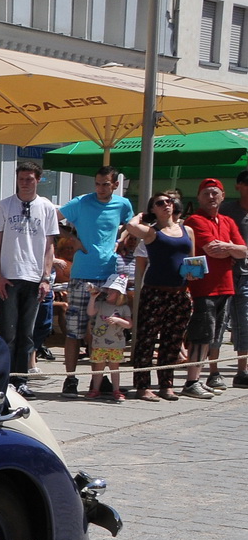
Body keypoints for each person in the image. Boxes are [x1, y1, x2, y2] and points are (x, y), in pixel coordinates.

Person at [55, 167, 135, 398]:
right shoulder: (81, 202)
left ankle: (97, 381)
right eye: (98, 184)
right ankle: (70, 380)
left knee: (103, 330)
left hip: (108, 274)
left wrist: (121, 239)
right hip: (82, 274)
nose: (100, 189)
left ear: (115, 185)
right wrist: (72, 240)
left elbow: (131, 226)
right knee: (74, 330)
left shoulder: (122, 204)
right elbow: (52, 219)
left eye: (105, 184)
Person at [0, 160, 60, 395]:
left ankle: (21, 380)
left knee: (27, 334)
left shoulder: (47, 207)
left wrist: (46, 278)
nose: (25, 183)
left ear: (38, 179)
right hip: (10, 275)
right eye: (21, 179)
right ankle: (5, 379)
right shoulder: (4, 206)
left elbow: (49, 246)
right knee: (8, 332)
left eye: (29, 179)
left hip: (34, 277)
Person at [177, 176, 247, 397]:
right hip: (203, 288)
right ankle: (190, 382)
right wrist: (231, 249)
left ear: (223, 196)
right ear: (198, 197)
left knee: (214, 335)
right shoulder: (195, 221)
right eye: (206, 193)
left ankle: (198, 378)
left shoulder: (228, 222)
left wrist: (227, 246)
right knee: (201, 334)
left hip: (225, 286)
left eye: (215, 192)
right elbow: (210, 249)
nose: (211, 197)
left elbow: (243, 251)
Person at [124, 190, 194, 401]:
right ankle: (143, 386)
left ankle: (166, 384)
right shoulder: (151, 232)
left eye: (169, 201)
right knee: (147, 339)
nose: (166, 205)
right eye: (160, 203)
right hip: (155, 292)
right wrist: (142, 215)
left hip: (180, 292)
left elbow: (193, 259)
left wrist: (194, 274)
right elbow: (130, 226)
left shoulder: (187, 230)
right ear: (153, 209)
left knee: (172, 341)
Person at [220, 170, 248, 388]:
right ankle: (209, 369)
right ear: (238, 185)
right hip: (225, 274)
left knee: (245, 323)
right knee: (218, 323)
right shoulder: (227, 210)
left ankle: (242, 370)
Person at [86, 269, 132, 403]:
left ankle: (116, 390)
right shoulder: (100, 305)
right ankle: (95, 389)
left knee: (114, 367)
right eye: (108, 290)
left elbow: (129, 324)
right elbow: (90, 312)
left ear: (119, 294)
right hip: (100, 342)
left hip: (116, 343)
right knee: (98, 367)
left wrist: (118, 321)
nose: (108, 293)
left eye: (112, 291)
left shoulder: (124, 308)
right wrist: (93, 298)